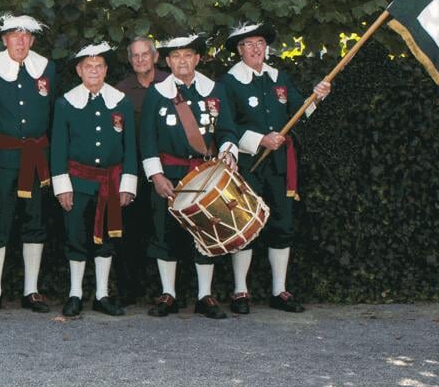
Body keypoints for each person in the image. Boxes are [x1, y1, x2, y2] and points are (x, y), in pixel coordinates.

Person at [212, 22, 331, 315]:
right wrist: (259, 139)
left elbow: (299, 110)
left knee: (281, 224)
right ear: (239, 50)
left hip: (279, 166)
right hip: (247, 165)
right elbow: (224, 127)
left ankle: (280, 290)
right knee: (246, 225)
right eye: (249, 45)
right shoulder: (228, 83)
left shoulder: (279, 78)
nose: (256, 49)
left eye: (260, 44)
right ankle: (240, 291)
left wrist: (318, 96)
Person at [137, 33, 230, 319]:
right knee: (165, 232)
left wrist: (228, 152)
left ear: (197, 59)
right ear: (167, 61)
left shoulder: (213, 89)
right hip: (170, 174)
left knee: (206, 231)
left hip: (204, 174)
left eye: (188, 55)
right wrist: (156, 176)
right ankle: (169, 294)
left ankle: (205, 295)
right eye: (176, 56)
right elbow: (147, 138)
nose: (182, 61)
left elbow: (227, 129)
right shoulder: (157, 92)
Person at [0, 14, 57, 314]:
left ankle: (31, 290)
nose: (20, 41)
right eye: (14, 35)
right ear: (4, 39)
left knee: (34, 221)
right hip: (0, 160)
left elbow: (51, 116)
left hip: (37, 161)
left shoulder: (47, 69)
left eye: (26, 36)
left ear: (32, 40)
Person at [51, 43, 138, 317]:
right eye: (88, 67)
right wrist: (62, 187)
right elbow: (58, 149)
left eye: (99, 66)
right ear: (79, 71)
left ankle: (101, 295)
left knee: (107, 239)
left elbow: (130, 146)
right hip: (77, 182)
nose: (94, 71)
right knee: (75, 237)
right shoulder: (66, 103)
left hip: (111, 182)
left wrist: (127, 184)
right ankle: (75, 294)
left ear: (106, 70)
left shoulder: (120, 101)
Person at [111, 36, 166, 305]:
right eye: (135, 56)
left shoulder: (170, 85)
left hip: (164, 171)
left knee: (163, 229)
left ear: (155, 57)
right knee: (130, 231)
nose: (141, 59)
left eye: (146, 54)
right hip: (133, 170)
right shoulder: (120, 90)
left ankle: (165, 290)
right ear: (130, 60)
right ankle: (128, 290)